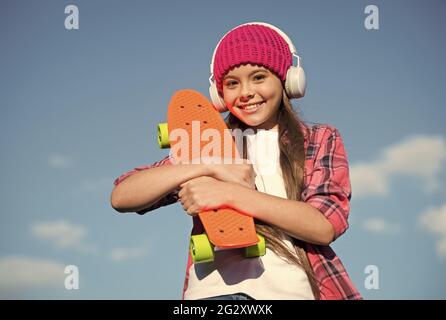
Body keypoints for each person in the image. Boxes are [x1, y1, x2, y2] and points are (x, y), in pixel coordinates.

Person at [111, 22, 362, 300]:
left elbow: (323, 226)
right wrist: (205, 166)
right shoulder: (207, 143)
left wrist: (231, 194)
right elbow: (122, 196)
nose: (245, 92)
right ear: (218, 94)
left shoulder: (318, 139)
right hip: (211, 294)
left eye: (258, 77)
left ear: (288, 80)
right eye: (232, 83)